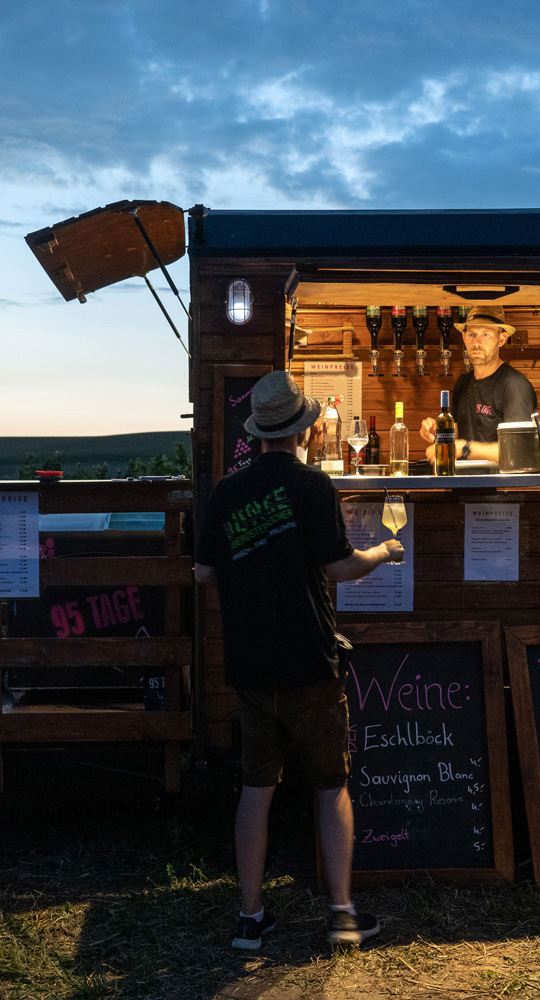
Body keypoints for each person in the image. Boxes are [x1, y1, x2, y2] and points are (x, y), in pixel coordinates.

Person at [195, 371, 404, 951]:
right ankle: (341, 914)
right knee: (331, 785)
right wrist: (384, 552)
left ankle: (250, 917)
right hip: (310, 658)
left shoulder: (227, 492)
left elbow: (205, 572)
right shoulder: (314, 487)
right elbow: (339, 568)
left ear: (260, 432)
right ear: (306, 430)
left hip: (251, 663)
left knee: (255, 787)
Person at [418, 305, 537, 466]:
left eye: (486, 334)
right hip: (462, 486)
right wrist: (437, 431)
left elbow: (518, 450)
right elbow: (455, 437)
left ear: (501, 339)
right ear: (464, 337)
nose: (477, 342)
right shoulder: (463, 383)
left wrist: (465, 449)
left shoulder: (515, 386)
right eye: (472, 334)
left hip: (503, 490)